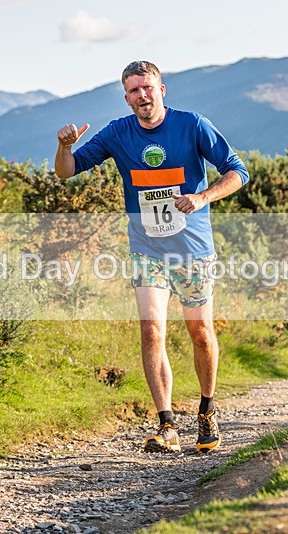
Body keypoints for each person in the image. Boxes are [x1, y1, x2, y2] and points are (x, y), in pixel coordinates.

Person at [54, 61, 249, 453]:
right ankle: (167, 426)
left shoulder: (192, 125)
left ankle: (207, 412)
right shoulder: (117, 133)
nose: (142, 96)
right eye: (133, 91)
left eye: (147, 87)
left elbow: (237, 171)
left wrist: (201, 197)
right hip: (148, 250)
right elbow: (66, 172)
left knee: (200, 333)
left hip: (193, 251)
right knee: (151, 331)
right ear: (126, 98)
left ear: (162, 90)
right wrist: (64, 145)